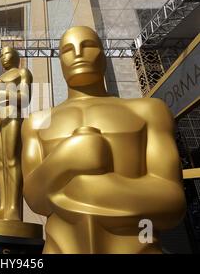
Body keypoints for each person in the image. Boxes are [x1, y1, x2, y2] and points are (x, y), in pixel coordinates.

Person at [21, 26, 186, 253]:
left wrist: (93, 188)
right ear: (59, 62)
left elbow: (172, 203)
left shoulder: (147, 111)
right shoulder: (36, 123)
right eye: (68, 50)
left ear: (103, 55)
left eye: (88, 45)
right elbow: (35, 199)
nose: (78, 53)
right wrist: (65, 158)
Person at [0, 46, 32, 220]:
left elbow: (25, 98)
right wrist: (9, 93)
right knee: (0, 163)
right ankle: (2, 207)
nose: (3, 57)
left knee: (12, 160)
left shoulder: (22, 73)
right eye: (1, 55)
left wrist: (2, 93)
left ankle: (13, 208)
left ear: (15, 55)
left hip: (12, 115)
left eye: (6, 54)